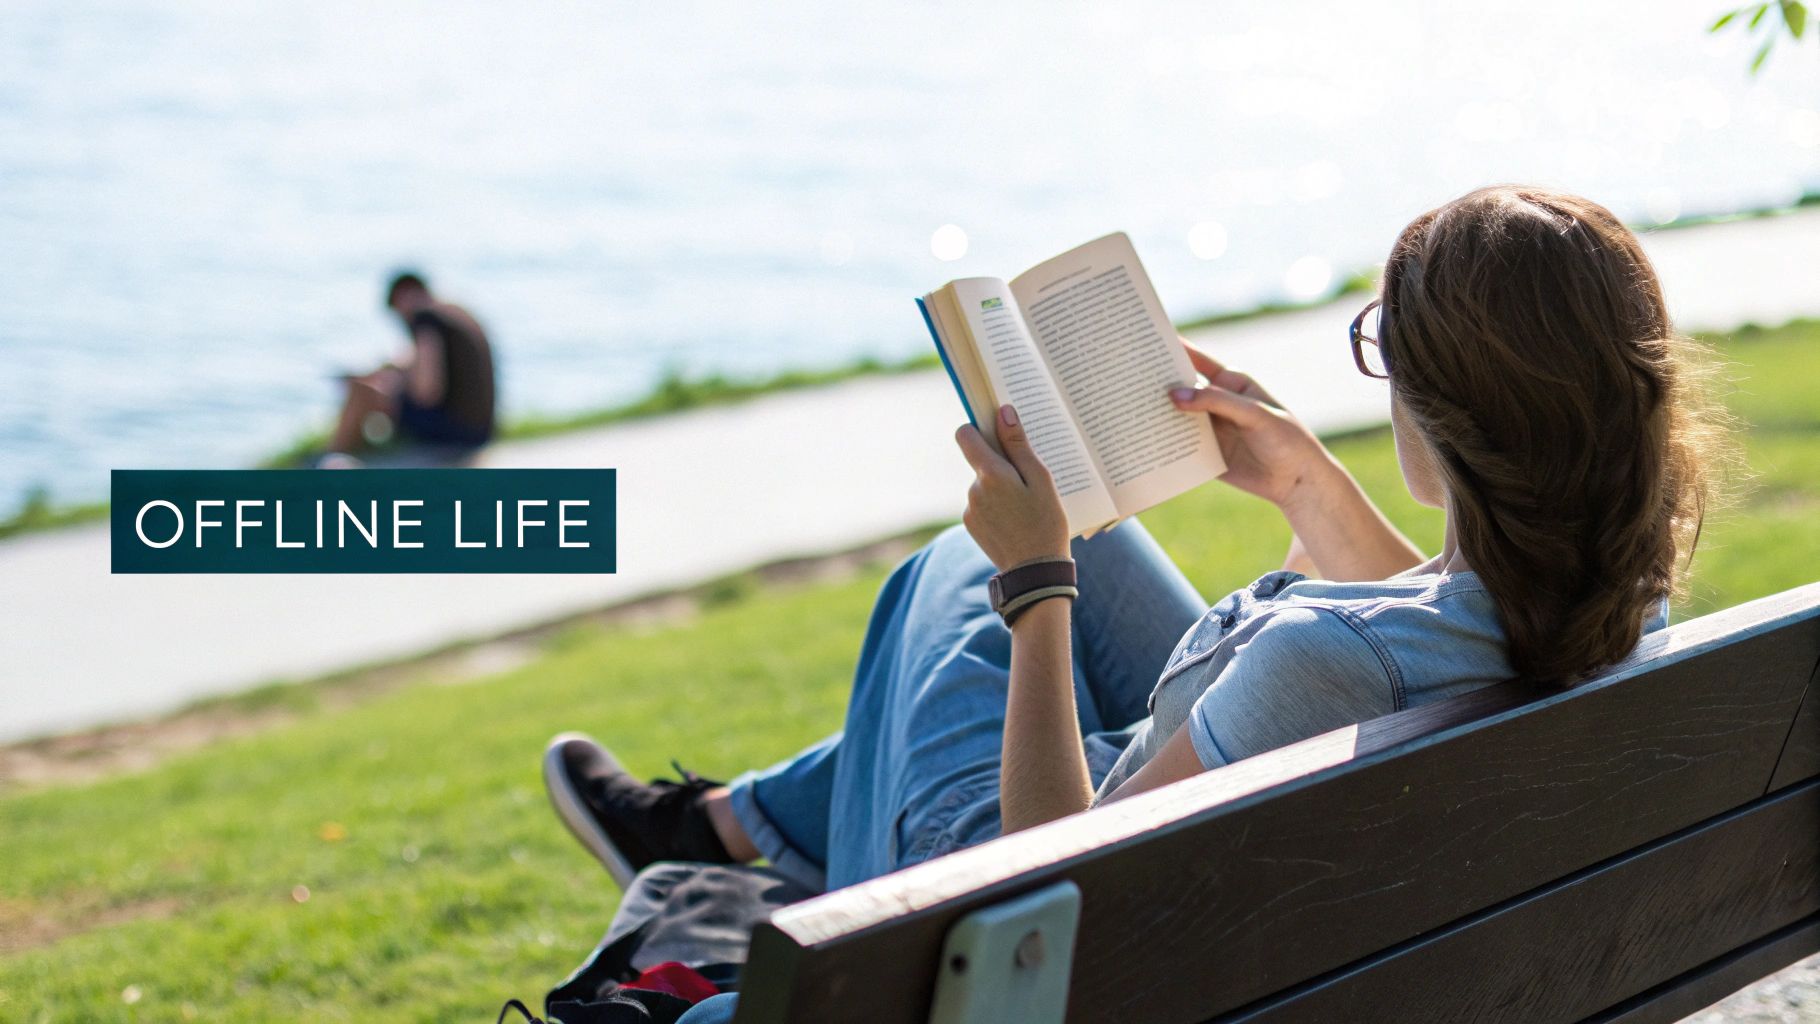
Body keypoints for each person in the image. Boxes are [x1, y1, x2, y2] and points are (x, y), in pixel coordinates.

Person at [541, 186, 1730, 1018]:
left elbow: (1046, 881)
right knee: (1078, 540)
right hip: (1265, 901)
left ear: (1436, 412)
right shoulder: (1619, 598)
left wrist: (1036, 587)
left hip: (1020, 926)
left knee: (952, 573)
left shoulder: (1320, 664)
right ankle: (730, 827)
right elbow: (1422, 655)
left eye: (1380, 346)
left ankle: (735, 831)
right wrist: (1305, 485)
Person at [329, 271, 496, 455]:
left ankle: (331, 457)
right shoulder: (454, 314)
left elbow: (427, 391)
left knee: (363, 391)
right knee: (376, 388)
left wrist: (391, 387)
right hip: (479, 430)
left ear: (405, 295)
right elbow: (420, 364)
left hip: (456, 430)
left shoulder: (425, 318)